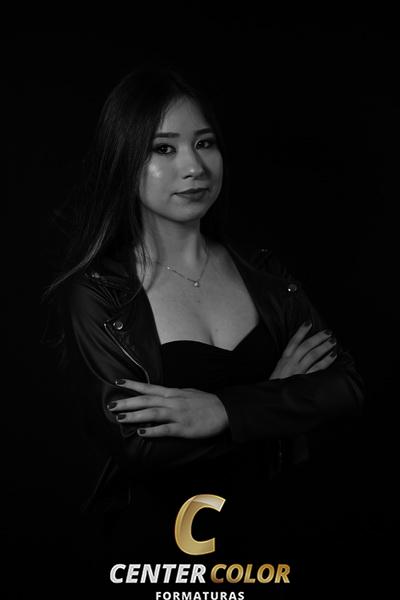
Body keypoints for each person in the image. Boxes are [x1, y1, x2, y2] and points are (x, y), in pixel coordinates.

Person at [47, 62, 364, 570]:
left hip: (274, 536)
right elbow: (138, 447)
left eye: (205, 143)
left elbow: (344, 385)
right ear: (124, 160)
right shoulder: (98, 293)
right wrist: (276, 398)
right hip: (155, 554)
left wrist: (222, 410)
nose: (194, 166)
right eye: (163, 148)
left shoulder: (263, 273)